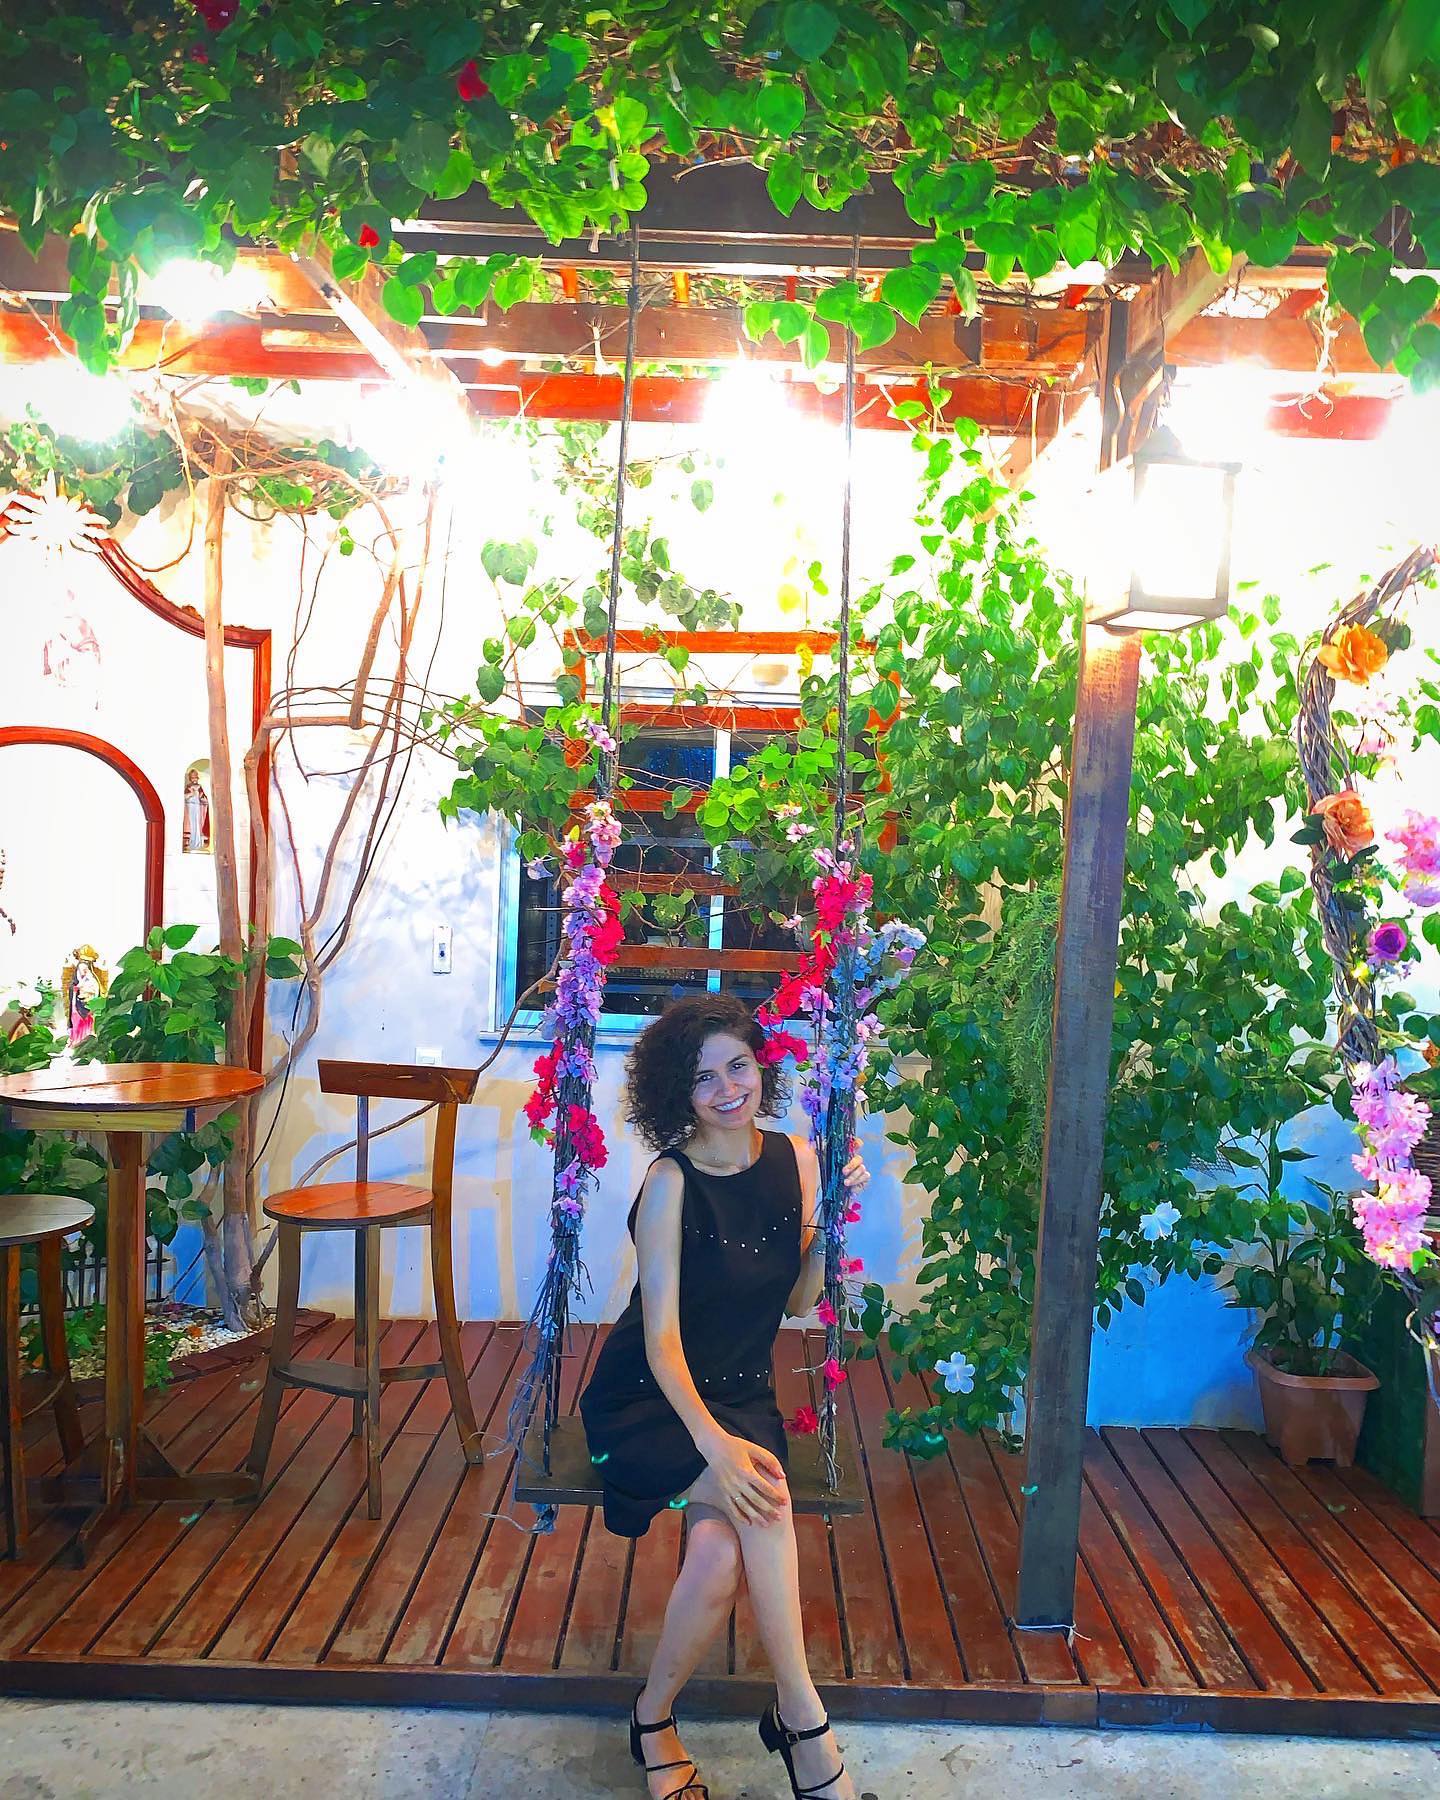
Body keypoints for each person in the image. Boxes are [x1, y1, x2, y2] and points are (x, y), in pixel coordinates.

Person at [579, 994, 868, 1800]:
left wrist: (832, 1221)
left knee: (716, 1558)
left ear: (759, 1067)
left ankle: (651, 1718)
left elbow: (800, 1300)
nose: (727, 1089)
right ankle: (804, 1725)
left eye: (738, 1066)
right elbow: (661, 1342)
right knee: (764, 1491)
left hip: (740, 1394)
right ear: (678, 1093)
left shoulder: (799, 1160)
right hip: (649, 1400)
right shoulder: (669, 1182)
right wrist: (714, 1446)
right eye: (703, 1078)